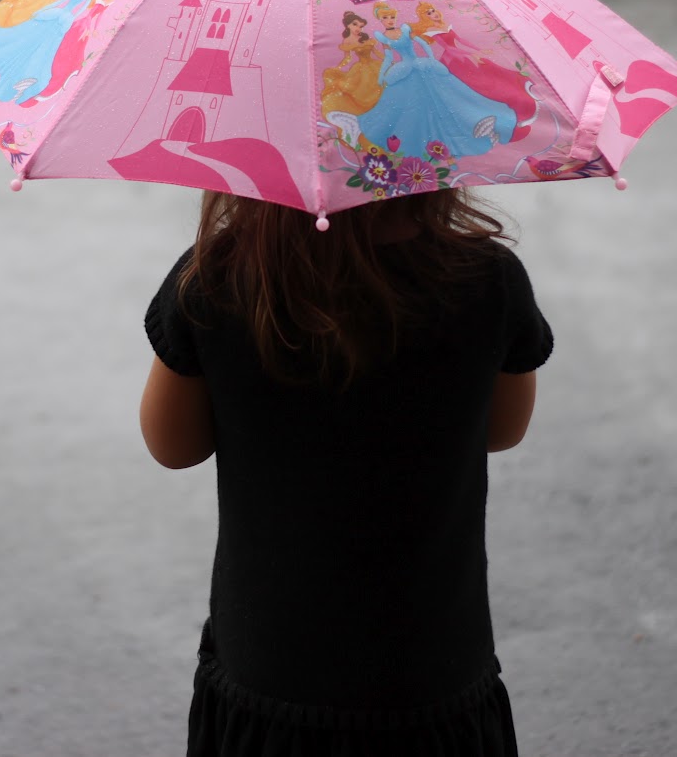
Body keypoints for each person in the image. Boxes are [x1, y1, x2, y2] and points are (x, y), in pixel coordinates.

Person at [140, 188, 552, 756]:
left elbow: (173, 445)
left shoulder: (217, 281)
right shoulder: (486, 278)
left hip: (272, 671)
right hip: (431, 668)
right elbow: (503, 430)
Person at [356, 2, 520, 161]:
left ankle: (458, 132)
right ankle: (420, 141)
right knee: (411, 106)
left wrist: (431, 59)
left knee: (445, 97)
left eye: (392, 16)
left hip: (422, 66)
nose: (390, 20)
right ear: (380, 20)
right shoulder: (383, 37)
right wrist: (382, 75)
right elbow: (388, 57)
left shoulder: (405, 30)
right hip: (405, 69)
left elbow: (422, 44)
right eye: (386, 18)